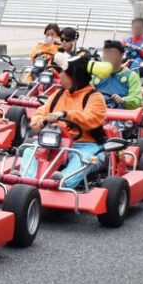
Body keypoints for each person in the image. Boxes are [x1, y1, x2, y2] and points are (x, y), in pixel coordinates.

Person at [24, 55, 108, 189]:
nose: (59, 75)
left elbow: (91, 119)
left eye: (63, 72)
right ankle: (27, 184)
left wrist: (65, 114)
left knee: (83, 159)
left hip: (85, 144)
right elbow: (41, 112)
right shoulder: (58, 94)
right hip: (56, 141)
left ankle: (60, 182)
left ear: (73, 76)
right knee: (30, 150)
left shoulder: (94, 97)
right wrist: (39, 121)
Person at [93, 40, 143, 110]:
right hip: (96, 111)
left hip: (120, 115)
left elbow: (137, 99)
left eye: (112, 55)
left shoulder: (131, 76)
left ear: (121, 56)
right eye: (106, 54)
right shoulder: (95, 74)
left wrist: (123, 100)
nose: (108, 58)